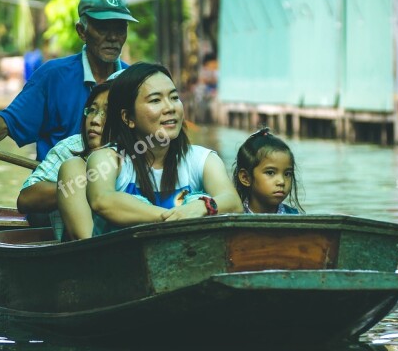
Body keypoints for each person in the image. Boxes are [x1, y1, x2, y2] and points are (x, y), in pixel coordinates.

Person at [0, 0, 137, 164]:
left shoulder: (134, 81)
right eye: (103, 28)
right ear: (82, 32)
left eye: (120, 29)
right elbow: (8, 122)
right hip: (56, 188)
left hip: (115, 190)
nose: (113, 38)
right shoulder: (53, 76)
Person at [72, 62, 242, 237]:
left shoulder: (203, 159)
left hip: (186, 259)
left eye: (174, 97)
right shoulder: (107, 159)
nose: (170, 108)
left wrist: (203, 206)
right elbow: (103, 200)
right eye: (155, 100)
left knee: (196, 200)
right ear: (128, 117)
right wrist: (174, 218)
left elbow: (233, 202)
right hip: (120, 260)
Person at [17, 82, 111, 239]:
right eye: (92, 110)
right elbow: (25, 199)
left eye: (107, 112)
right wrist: (82, 185)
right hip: (79, 249)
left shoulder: (141, 148)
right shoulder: (72, 147)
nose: (94, 120)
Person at [233, 127, 303, 214]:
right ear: (245, 178)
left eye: (287, 174)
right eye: (270, 172)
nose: (281, 182)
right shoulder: (235, 216)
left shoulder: (295, 217)